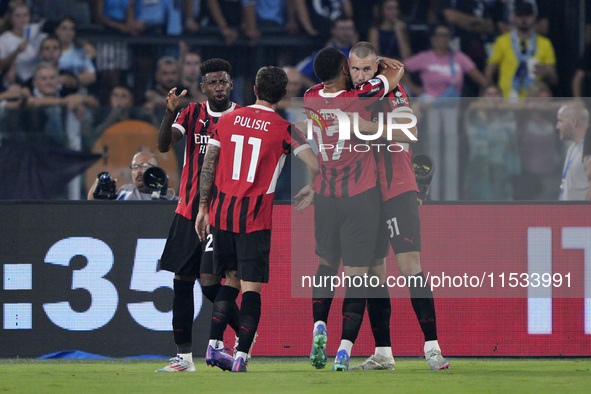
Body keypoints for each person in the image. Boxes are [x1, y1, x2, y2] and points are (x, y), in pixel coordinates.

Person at [195, 66, 318, 373]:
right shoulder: (284, 128)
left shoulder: (226, 120)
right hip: (255, 220)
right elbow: (315, 164)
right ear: (284, 94)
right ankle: (241, 356)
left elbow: (208, 165)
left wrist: (202, 208)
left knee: (229, 281)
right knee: (250, 289)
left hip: (222, 215)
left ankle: (213, 347)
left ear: (253, 89)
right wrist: (311, 188)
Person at [343, 42, 449, 371]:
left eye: (367, 69)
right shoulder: (353, 94)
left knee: (410, 267)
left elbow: (410, 131)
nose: (361, 76)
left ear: (377, 67)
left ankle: (433, 348)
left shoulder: (394, 91)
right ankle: (383, 353)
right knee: (375, 274)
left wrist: (367, 129)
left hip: (398, 186)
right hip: (365, 194)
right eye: (355, 69)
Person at [300, 45, 404, 371]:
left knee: (326, 267)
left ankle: (319, 325)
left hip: (326, 196)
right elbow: (396, 73)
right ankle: (344, 348)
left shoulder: (309, 97)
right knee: (359, 277)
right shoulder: (357, 98)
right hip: (361, 196)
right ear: (347, 67)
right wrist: (382, 65)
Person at [155, 58, 240, 373]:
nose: (219, 87)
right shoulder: (191, 114)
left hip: (223, 214)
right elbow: (164, 145)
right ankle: (184, 358)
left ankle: (246, 332)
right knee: (181, 281)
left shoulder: (241, 117)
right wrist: (169, 112)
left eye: (224, 81)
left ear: (231, 84)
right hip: (188, 210)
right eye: (213, 82)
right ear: (203, 86)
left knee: (208, 284)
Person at [403, 23, 488, 201]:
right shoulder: (426, 57)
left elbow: (480, 78)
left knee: (452, 157)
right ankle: (431, 196)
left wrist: (483, 95)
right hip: (430, 113)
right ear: (433, 39)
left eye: (446, 35)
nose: (443, 39)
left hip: (452, 115)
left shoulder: (458, 58)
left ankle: (450, 198)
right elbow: (399, 69)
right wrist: (416, 89)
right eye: (440, 35)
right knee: (433, 153)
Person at [485, 1, 557, 99]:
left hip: (533, 102)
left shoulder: (545, 43)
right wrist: (494, 95)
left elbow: (554, 80)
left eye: (527, 15)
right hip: (507, 101)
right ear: (515, 17)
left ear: (534, 17)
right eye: (520, 15)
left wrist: (546, 72)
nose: (523, 19)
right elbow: (489, 72)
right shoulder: (502, 41)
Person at [87, 151, 176, 200]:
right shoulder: (123, 191)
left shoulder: (170, 200)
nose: (139, 171)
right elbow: (93, 204)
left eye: (144, 166)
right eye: (135, 167)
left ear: (156, 170)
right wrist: (100, 184)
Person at [0, 2, 47, 84]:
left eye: (25, 15)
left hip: (42, 78)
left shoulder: (39, 36)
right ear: (11, 18)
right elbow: (1, 65)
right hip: (18, 81)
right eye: (18, 16)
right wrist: (17, 52)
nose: (22, 19)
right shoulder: (4, 39)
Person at [556, 102, 591, 201]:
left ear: (574, 121)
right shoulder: (571, 149)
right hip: (567, 213)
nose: (557, 126)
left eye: (560, 121)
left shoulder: (588, 151)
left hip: (582, 214)